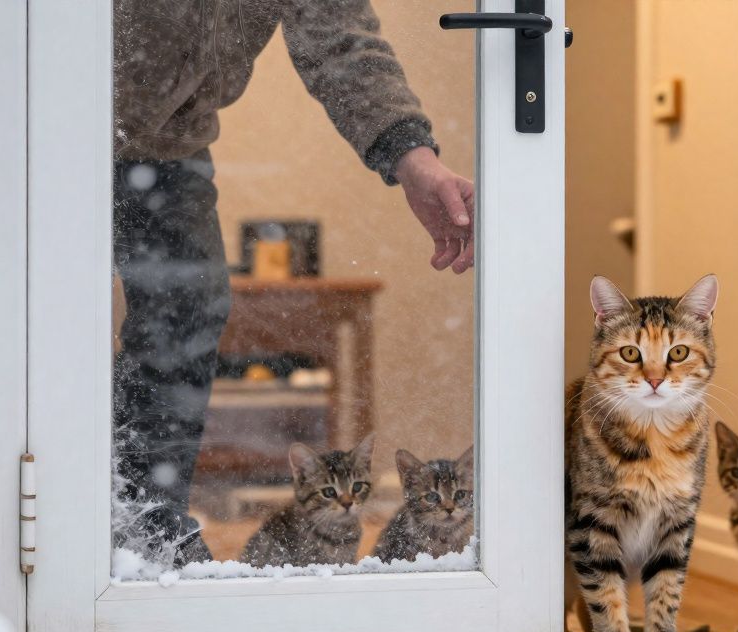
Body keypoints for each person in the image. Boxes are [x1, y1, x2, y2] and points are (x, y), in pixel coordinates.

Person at [111, 0, 473, 564]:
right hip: (49, 126)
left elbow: (341, 39)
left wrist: (412, 158)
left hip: (168, 147)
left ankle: (145, 531)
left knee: (188, 313)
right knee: (40, 332)